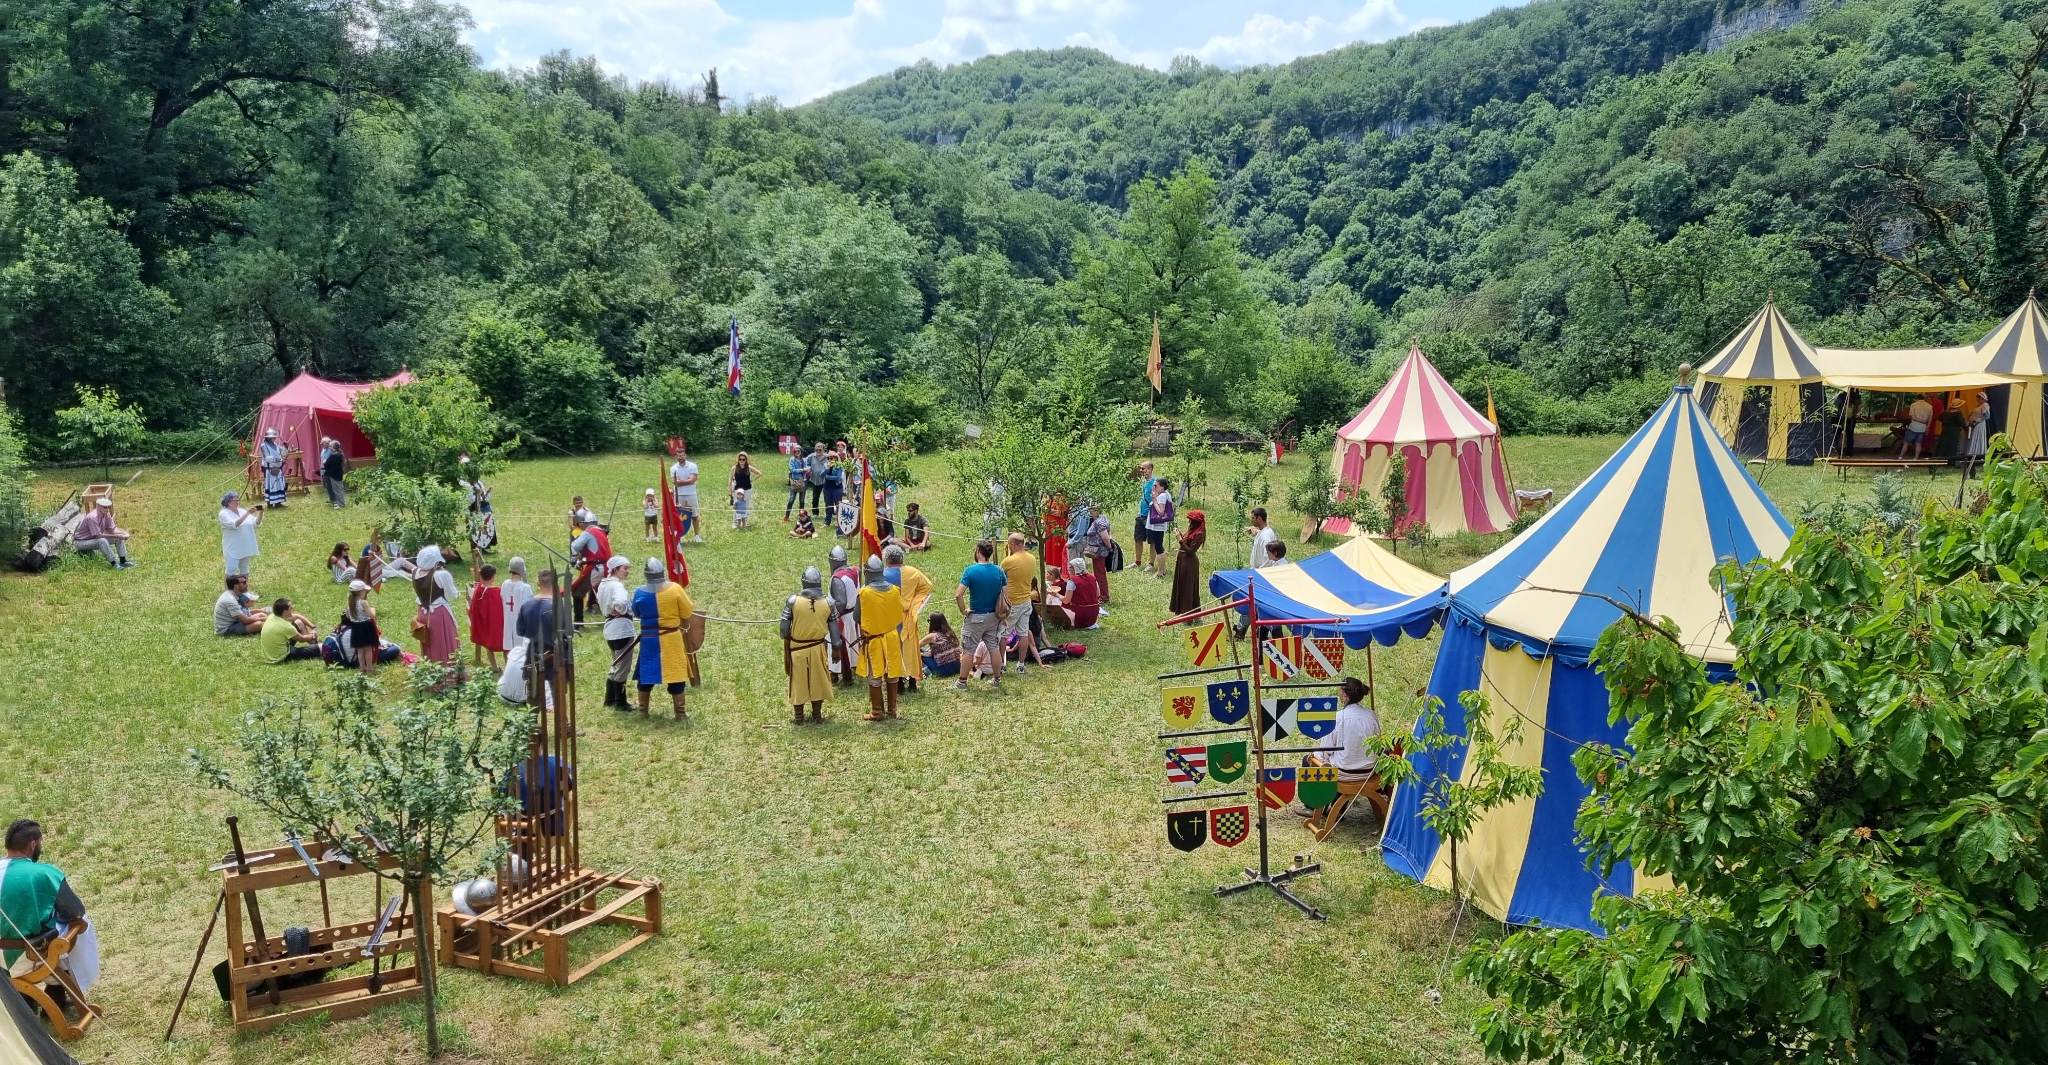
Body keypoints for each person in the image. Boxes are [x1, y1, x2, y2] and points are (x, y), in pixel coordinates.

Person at [0, 820, 98, 1016]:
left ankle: (33, 1001)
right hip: (24, 957)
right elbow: (75, 913)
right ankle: (57, 997)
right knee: (69, 932)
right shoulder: (44, 873)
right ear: (33, 844)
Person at [632, 558, 696, 719]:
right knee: (675, 675)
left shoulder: (639, 592)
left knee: (646, 675)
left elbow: (637, 613)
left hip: (650, 639)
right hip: (671, 639)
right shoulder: (675, 589)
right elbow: (687, 611)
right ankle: (680, 713)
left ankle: (642, 711)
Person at [1302, 677, 1382, 803]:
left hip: (1345, 774)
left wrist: (1314, 756)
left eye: (1340, 691)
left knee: (1310, 760)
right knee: (1336, 760)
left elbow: (1325, 751)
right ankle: (1337, 808)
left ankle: (1313, 806)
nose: (1339, 693)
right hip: (1369, 772)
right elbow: (1379, 744)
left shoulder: (1337, 717)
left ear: (1345, 695)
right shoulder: (1371, 715)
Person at [779, 566, 836, 724]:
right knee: (818, 679)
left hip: (798, 649)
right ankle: (817, 715)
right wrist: (836, 648)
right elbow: (836, 637)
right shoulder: (828, 603)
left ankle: (799, 717)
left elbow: (783, 631)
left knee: (798, 682)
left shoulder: (793, 602)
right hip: (818, 649)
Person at [853, 556, 907, 720]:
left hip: (875, 640)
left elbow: (857, 617)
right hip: (891, 637)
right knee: (892, 674)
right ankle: (892, 710)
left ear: (868, 573)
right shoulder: (895, 590)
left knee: (875, 676)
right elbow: (899, 615)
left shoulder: (864, 593)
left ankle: (877, 712)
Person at [954, 539, 1010, 690]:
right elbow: (1005, 594)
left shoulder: (970, 571)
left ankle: (962, 682)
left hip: (976, 617)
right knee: (993, 647)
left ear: (978, 551)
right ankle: (997, 679)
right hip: (994, 616)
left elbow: (958, 594)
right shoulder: (999, 570)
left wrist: (963, 610)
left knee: (969, 650)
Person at [885, 545, 932, 693]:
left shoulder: (882, 574)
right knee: (910, 649)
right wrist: (914, 604)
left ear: (887, 559)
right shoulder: (912, 572)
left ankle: (898, 683)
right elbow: (928, 586)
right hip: (908, 618)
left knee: (894, 649)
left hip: (891, 617)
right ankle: (912, 681)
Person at [516, 568, 563, 708]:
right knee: (557, 691)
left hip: (534, 651)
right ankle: (563, 725)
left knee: (534, 692)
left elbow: (521, 631)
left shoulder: (527, 605)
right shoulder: (558, 606)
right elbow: (565, 633)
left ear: (538, 583)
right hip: (555, 652)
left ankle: (534, 727)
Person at [597, 555, 637, 710]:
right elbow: (620, 603)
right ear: (615, 569)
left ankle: (610, 699)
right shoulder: (617, 586)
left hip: (611, 629)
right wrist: (623, 610)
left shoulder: (603, 584)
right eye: (624, 568)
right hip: (621, 629)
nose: (627, 571)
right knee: (622, 667)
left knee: (616, 664)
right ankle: (620, 701)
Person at [411, 545, 461, 668]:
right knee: (443, 643)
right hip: (438, 613)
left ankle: (431, 673)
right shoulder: (441, 575)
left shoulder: (415, 572)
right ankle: (448, 675)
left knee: (429, 643)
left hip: (422, 612)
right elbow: (452, 595)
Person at [1000, 532, 1042, 673]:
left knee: (1003, 634)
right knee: (1023, 633)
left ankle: (1001, 664)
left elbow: (999, 578)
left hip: (1012, 603)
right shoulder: (1031, 558)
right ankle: (1021, 665)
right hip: (1026, 601)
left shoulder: (1008, 561)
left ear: (1013, 544)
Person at [568, 516, 612, 626]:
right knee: (603, 592)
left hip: (596, 568)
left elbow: (575, 546)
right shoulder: (601, 531)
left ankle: (578, 623)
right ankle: (607, 616)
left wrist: (574, 558)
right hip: (606, 567)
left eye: (581, 523)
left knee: (577, 592)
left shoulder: (588, 532)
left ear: (583, 523)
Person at [827, 545, 861, 685]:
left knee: (838, 645)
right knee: (852, 643)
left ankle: (838, 674)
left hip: (842, 618)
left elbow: (840, 603)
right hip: (853, 614)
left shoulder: (837, 579)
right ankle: (853, 668)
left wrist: (829, 616)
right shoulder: (855, 571)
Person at [72, 497, 133, 568]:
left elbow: (113, 529)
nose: (107, 509)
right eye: (104, 507)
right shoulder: (92, 517)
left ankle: (123, 561)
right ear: (98, 506)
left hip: (92, 539)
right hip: (81, 542)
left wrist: (123, 534)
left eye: (108, 507)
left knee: (118, 538)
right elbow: (98, 536)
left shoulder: (107, 514)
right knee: (102, 540)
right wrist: (118, 535)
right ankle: (114, 564)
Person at [468, 563, 508, 672]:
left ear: (481, 576)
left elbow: (473, 609)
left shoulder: (478, 590)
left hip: (485, 624)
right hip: (497, 624)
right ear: (494, 576)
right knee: (505, 646)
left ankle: (494, 667)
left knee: (488, 645)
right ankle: (508, 666)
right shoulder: (497, 592)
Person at [259, 598, 323, 662]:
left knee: (298, 622)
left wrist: (312, 626)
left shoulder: (273, 616)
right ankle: (316, 646)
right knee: (322, 647)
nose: (292, 608)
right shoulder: (286, 626)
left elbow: (297, 616)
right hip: (281, 656)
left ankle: (313, 644)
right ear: (285, 611)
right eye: (290, 607)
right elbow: (302, 639)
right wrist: (313, 635)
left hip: (271, 653)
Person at [1169, 509, 1207, 616]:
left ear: (1195, 522)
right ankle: (1180, 610)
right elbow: (1186, 541)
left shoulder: (1199, 533)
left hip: (1189, 563)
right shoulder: (1192, 530)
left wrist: (1179, 540)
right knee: (1181, 585)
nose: (1189, 523)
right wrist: (1180, 534)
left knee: (1188, 588)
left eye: (1191, 521)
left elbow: (1190, 551)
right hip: (1182, 560)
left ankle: (1188, 613)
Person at [1049, 556, 1101, 629]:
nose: (1068, 570)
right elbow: (1098, 594)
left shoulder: (1072, 581)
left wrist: (1056, 594)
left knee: (1054, 600)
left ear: (1074, 569)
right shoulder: (1092, 577)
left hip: (1081, 615)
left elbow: (1066, 600)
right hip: (1094, 613)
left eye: (1070, 568)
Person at [217, 490, 261, 577]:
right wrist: (248, 513)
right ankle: (228, 590)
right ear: (229, 502)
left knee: (244, 568)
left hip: (245, 545)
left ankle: (243, 590)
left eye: (238, 500)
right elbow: (235, 524)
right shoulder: (223, 514)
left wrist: (261, 512)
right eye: (235, 500)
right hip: (233, 547)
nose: (238, 502)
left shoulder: (242, 511)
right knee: (231, 569)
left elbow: (256, 523)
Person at [342, 579, 379, 674]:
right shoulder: (363, 602)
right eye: (364, 591)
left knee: (360, 650)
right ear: (360, 592)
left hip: (355, 627)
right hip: (366, 627)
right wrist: (373, 610)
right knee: (368, 649)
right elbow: (372, 615)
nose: (366, 592)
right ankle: (370, 668)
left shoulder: (350, 603)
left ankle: (362, 668)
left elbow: (348, 616)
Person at [670, 447, 704, 543]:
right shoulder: (673, 468)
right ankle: (680, 536)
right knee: (679, 516)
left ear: (685, 455)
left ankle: (697, 535)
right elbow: (675, 482)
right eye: (678, 455)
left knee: (694, 515)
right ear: (676, 456)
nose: (680, 457)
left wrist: (682, 481)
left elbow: (693, 480)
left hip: (691, 494)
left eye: (682, 455)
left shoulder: (693, 466)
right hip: (679, 495)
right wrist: (688, 481)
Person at [1144, 478, 1175, 576]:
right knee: (1158, 546)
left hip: (1157, 526)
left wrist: (1154, 500)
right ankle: (1161, 569)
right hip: (1158, 526)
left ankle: (1161, 571)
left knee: (1158, 547)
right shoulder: (1166, 494)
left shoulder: (1162, 496)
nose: (1154, 487)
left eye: (1156, 485)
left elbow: (1161, 512)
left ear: (1162, 487)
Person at [1085, 503, 1113, 610]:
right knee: (1098, 574)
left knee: (1100, 574)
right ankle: (1100, 594)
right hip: (1097, 552)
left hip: (1099, 552)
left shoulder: (1099, 522)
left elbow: (1105, 537)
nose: (1090, 512)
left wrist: (1110, 548)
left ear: (1096, 511)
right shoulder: (1101, 519)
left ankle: (1104, 596)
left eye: (1091, 510)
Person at [501, 556, 534, 645]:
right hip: (521, 623)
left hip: (508, 620)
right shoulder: (525, 588)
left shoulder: (505, 584)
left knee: (509, 646)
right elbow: (529, 607)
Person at [919, 613, 962, 679]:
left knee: (919, 651)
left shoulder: (933, 636)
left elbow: (916, 645)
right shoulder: (950, 632)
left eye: (929, 621)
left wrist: (921, 654)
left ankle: (924, 672)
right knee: (925, 651)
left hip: (944, 671)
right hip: (958, 666)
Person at [1132, 460, 1158, 570]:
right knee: (1138, 539)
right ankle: (1137, 562)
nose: (1141, 470)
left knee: (1152, 540)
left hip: (1151, 515)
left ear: (1150, 469)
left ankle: (1151, 564)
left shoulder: (1156, 483)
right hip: (1141, 515)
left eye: (1144, 468)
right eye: (1141, 468)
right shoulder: (1142, 482)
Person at [257, 427, 289, 507]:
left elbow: (283, 454)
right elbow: (267, 458)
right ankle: (270, 503)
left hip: (278, 468)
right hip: (270, 469)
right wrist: (279, 459)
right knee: (271, 486)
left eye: (274, 437)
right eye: (272, 437)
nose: (274, 438)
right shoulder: (263, 446)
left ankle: (278, 502)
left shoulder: (275, 445)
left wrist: (286, 447)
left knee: (278, 485)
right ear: (268, 437)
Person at [1900, 393, 1936, 459]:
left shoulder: (1913, 405)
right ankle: (1916, 458)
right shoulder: (1930, 406)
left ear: (1917, 398)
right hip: (1923, 428)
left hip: (1913, 427)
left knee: (1906, 443)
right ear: (1924, 398)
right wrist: (1927, 427)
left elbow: (1912, 417)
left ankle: (1901, 457)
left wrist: (1921, 421)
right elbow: (1930, 419)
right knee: (1918, 444)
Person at [1043, 497, 1069, 577]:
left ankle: (1059, 569)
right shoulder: (1048, 497)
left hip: (1058, 525)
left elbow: (1060, 513)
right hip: (1049, 526)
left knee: (1057, 548)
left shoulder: (1063, 498)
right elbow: (1043, 509)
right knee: (1049, 547)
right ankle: (1051, 570)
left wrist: (1049, 511)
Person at [1965, 390, 1992, 466]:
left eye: (1978, 398)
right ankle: (1973, 453)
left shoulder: (1985, 405)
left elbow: (1987, 416)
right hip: (1974, 424)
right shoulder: (1978, 406)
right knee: (1973, 437)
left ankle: (1978, 453)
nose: (1977, 400)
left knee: (1977, 437)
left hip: (1979, 424)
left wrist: (1977, 421)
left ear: (1982, 399)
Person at [730, 452, 756, 530]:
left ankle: (745, 522)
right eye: (740, 459)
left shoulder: (749, 467)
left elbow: (759, 473)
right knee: (736, 506)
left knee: (746, 506)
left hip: (747, 489)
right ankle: (735, 523)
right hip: (737, 489)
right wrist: (730, 490)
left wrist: (752, 480)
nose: (741, 461)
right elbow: (730, 479)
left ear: (746, 460)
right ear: (738, 459)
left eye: (743, 459)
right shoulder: (734, 468)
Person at [321, 437, 347, 509]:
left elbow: (326, 465)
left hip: (334, 475)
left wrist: (324, 462)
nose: (330, 448)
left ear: (333, 448)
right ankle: (341, 503)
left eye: (331, 446)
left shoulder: (334, 456)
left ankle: (341, 504)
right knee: (339, 489)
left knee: (337, 490)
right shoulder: (339, 454)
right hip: (338, 474)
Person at [805, 441, 829, 513]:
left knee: (826, 498)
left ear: (823, 449)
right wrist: (808, 467)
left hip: (825, 480)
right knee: (815, 497)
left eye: (820, 449)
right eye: (816, 449)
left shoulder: (827, 457)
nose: (818, 451)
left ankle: (828, 513)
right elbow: (806, 462)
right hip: (815, 480)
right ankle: (815, 512)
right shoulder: (811, 456)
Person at [784, 450, 808, 522]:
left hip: (803, 482)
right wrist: (802, 469)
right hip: (794, 482)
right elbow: (792, 470)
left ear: (801, 452)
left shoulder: (804, 460)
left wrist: (806, 470)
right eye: (795, 451)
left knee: (802, 501)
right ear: (793, 452)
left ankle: (801, 518)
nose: (797, 453)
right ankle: (786, 517)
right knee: (791, 500)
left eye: (798, 451)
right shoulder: (792, 459)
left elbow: (807, 469)